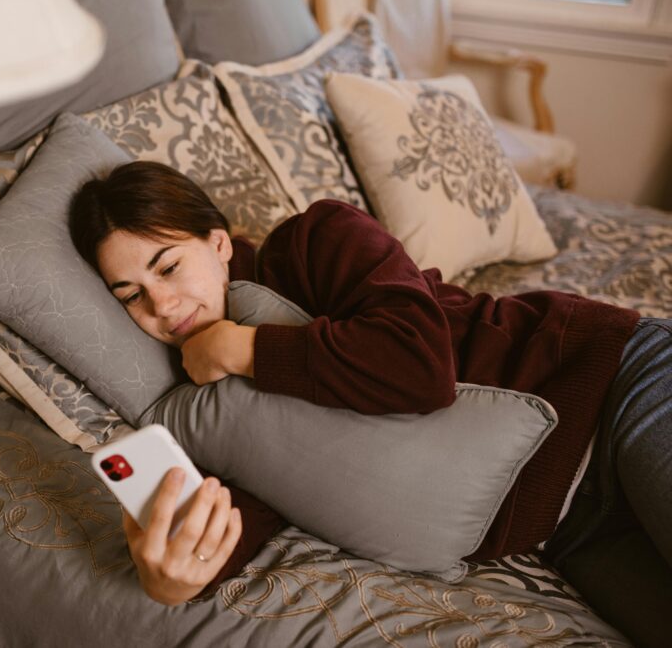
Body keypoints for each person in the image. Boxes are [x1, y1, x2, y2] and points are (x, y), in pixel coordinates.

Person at [68, 161, 672, 645]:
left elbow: (420, 366)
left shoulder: (317, 239)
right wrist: (178, 578)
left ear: (220, 242)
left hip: (617, 386)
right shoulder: (207, 405)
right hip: (567, 528)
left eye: (169, 267)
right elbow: (276, 491)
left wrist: (246, 348)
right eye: (132, 296)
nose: (164, 307)